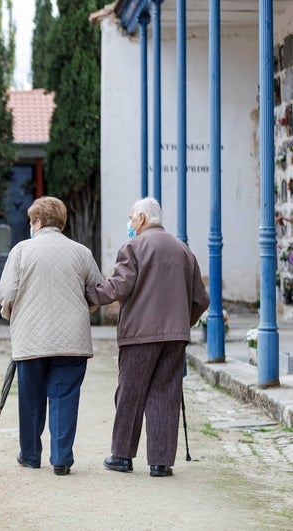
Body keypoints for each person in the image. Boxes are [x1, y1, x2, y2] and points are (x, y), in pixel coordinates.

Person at [85, 197, 209, 478]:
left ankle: (121, 456)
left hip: (140, 335)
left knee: (130, 393)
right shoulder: (183, 250)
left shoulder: (134, 247)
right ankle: (161, 462)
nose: (129, 224)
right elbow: (201, 299)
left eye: (131, 218)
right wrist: (182, 322)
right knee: (166, 395)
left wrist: (89, 293)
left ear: (141, 218)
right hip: (175, 337)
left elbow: (119, 286)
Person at [0, 196, 102, 476]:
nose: (30, 225)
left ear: (38, 222)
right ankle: (61, 458)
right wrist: (83, 311)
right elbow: (97, 291)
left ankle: (30, 455)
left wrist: (11, 314)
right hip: (73, 341)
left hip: (31, 340)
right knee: (64, 396)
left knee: (30, 399)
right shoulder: (82, 252)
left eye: (32, 220)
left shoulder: (21, 250)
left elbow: (6, 293)